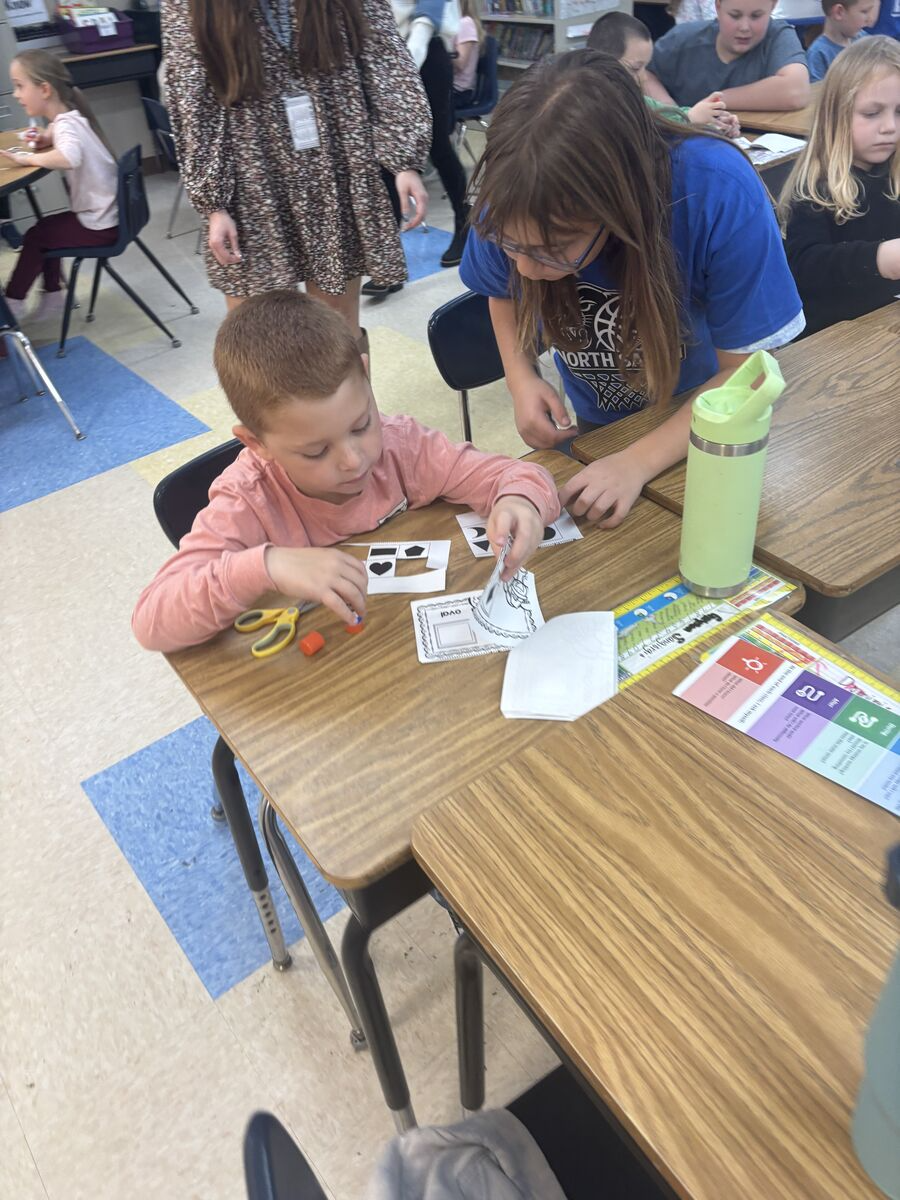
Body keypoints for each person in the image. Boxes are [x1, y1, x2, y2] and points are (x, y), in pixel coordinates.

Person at [459, 51, 804, 529]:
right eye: (511, 245)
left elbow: (749, 374)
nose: (526, 269)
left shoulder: (715, 188)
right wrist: (522, 379)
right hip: (599, 419)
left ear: (619, 206)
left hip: (701, 413)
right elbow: (502, 289)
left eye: (552, 250)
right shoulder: (513, 185)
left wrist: (637, 462)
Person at [132, 291, 559, 653]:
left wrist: (518, 499)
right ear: (256, 444)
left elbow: (516, 474)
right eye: (316, 452)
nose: (354, 460)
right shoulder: (247, 499)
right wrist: (267, 566)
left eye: (361, 425)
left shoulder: (402, 445)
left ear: (367, 378)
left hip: (397, 653)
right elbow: (151, 622)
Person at [162, 0, 431, 348]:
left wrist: (403, 157)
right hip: (251, 176)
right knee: (263, 337)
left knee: (339, 331)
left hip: (336, 159)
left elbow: (384, 58)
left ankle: (360, 404)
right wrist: (213, 203)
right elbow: (191, 94)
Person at [778, 36, 900, 335]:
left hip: (886, 329)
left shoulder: (893, 173)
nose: (889, 126)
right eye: (872, 113)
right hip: (835, 342)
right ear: (835, 115)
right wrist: (877, 259)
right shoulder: (814, 188)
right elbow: (802, 266)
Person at [0, 50, 117, 320]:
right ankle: (53, 295)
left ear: (44, 89)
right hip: (108, 218)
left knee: (38, 236)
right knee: (45, 232)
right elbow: (59, 134)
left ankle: (11, 306)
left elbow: (70, 156)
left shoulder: (66, 125)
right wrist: (44, 139)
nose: (16, 94)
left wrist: (28, 158)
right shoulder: (70, 117)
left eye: (19, 86)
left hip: (100, 225)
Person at [587, 12, 741, 134]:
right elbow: (645, 129)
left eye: (645, 67)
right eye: (635, 68)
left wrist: (714, 121)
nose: (643, 77)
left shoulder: (638, 99)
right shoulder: (587, 104)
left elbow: (665, 114)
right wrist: (691, 118)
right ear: (602, 64)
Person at [645, 0, 810, 111]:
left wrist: (714, 102)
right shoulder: (682, 39)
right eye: (735, 15)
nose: (745, 27)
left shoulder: (778, 36)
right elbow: (643, 73)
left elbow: (796, 91)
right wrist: (673, 114)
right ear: (718, 6)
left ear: (772, 6)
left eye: (756, 16)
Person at [807, 0, 880, 80]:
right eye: (864, 11)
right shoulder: (818, 54)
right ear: (839, 12)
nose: (870, 19)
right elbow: (817, 91)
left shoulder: (865, 41)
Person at [452, 0, 483, 109]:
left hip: (459, 91)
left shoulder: (465, 23)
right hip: (449, 87)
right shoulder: (455, 22)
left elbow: (461, 63)